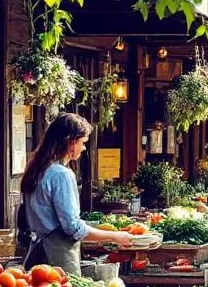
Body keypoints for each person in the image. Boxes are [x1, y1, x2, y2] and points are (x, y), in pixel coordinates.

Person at [18, 113, 136, 272]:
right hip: (56, 262)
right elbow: (73, 228)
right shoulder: (61, 175)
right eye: (83, 142)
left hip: (36, 255)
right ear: (71, 142)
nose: (84, 147)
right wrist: (115, 236)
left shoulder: (37, 170)